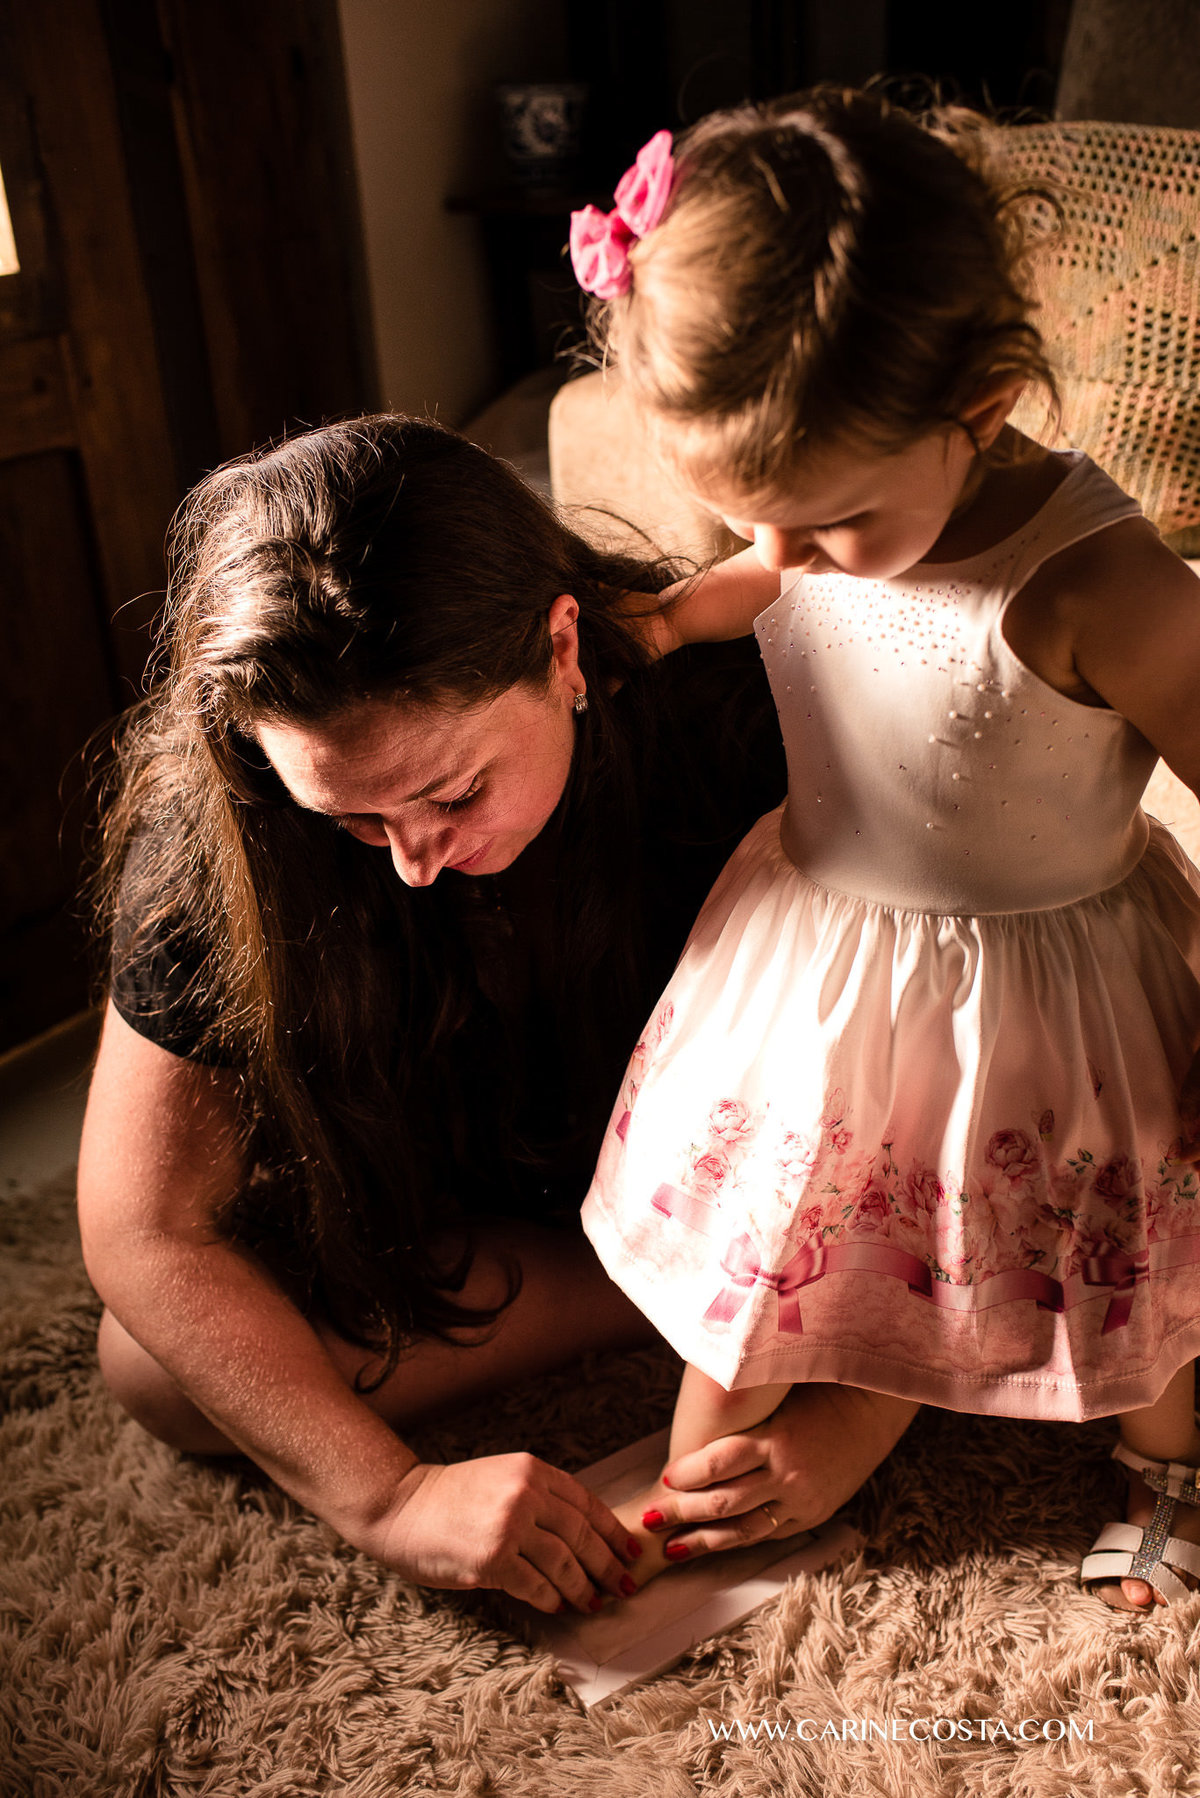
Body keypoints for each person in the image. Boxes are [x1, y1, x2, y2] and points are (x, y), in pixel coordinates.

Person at [78, 414, 913, 1618]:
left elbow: (959, 1035)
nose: (413, 861)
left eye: (454, 791)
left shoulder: (738, 707)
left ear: (565, 648)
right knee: (150, 1364)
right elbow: (146, 1228)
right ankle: (655, 1294)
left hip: (763, 1174)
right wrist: (389, 1498)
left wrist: (867, 1402)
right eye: (355, 819)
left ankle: (720, 1282)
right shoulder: (224, 822)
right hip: (481, 1202)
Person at [570, 91, 1200, 1612]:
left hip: (1047, 982)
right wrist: (656, 619)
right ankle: (724, 1453)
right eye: (751, 519)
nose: (783, 557)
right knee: (774, 1210)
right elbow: (755, 586)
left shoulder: (1099, 582)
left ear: (980, 404)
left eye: (825, 522)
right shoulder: (805, 528)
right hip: (820, 947)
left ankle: (1168, 1469)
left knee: (1103, 1252)